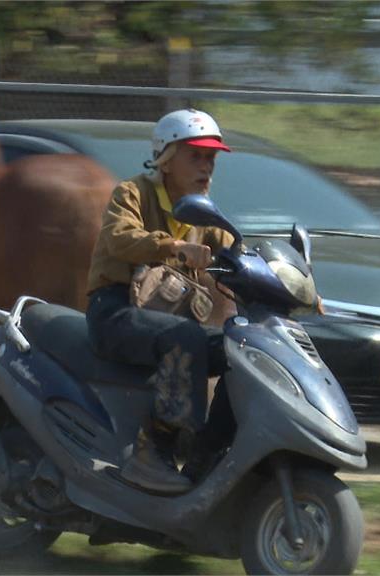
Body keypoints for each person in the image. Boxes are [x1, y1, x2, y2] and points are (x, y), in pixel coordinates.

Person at [85, 108, 236, 493]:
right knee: (187, 336)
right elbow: (119, 237)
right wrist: (176, 247)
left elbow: (238, 253)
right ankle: (151, 453)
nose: (206, 168)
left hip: (164, 321)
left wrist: (292, 286)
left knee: (241, 350)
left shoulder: (204, 214)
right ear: (167, 159)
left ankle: (207, 454)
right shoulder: (132, 192)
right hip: (115, 310)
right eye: (196, 156)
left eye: (211, 159)